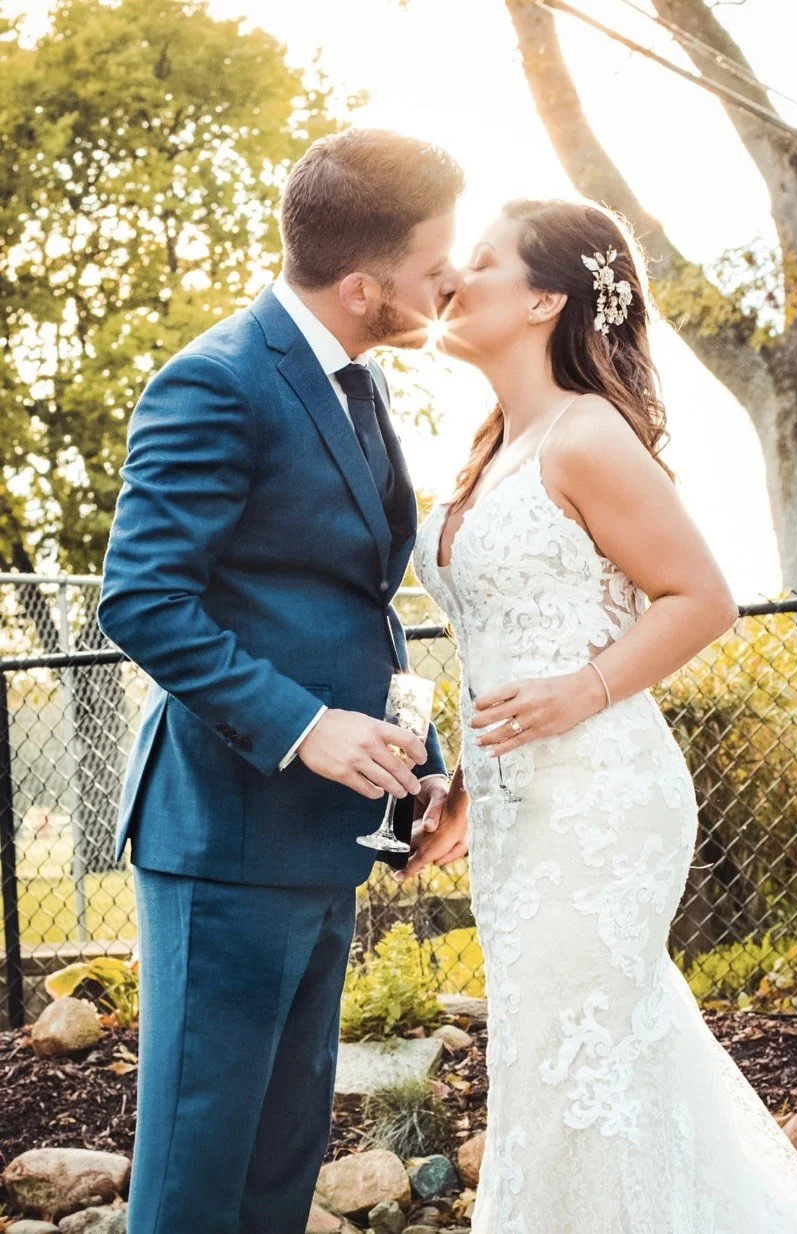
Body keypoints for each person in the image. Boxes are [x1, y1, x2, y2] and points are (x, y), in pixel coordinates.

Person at [405, 197, 797, 1231]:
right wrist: (464, 788)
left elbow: (703, 597)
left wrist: (582, 691)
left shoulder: (587, 434)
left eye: (485, 260)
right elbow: (503, 645)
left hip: (600, 803)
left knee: (580, 1060)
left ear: (547, 296)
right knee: (570, 1060)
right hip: (514, 810)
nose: (457, 275)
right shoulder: (496, 442)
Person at [97, 128, 464, 1234]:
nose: (451, 283)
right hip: (223, 838)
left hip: (323, 834)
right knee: (198, 1167)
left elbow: (349, 602)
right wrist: (303, 726)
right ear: (364, 284)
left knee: (280, 1162)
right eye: (435, 265)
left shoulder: (356, 384)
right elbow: (142, 598)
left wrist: (421, 772)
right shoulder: (213, 382)